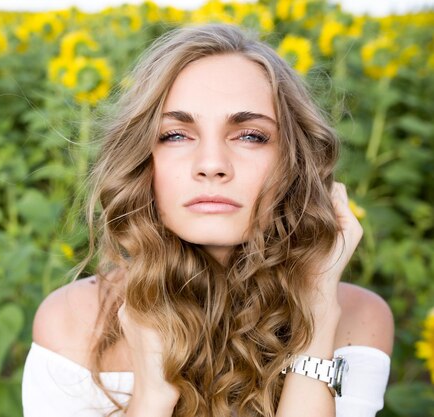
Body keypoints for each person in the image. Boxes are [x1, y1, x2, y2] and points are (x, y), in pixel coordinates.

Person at [22, 24, 394, 417]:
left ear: (295, 164)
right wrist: (152, 396)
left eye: (250, 135)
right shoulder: (73, 322)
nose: (212, 165)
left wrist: (317, 319)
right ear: (142, 160)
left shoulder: (359, 321)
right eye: (176, 135)